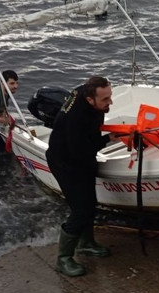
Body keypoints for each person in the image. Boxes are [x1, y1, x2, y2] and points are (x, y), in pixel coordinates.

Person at [46, 75, 119, 276]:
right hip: (65, 162)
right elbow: (80, 150)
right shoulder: (75, 119)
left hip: (82, 158)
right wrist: (107, 139)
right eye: (105, 100)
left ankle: (86, 243)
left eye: (110, 96)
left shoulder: (86, 91)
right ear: (90, 100)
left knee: (90, 203)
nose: (110, 102)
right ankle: (64, 259)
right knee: (80, 210)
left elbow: (88, 144)